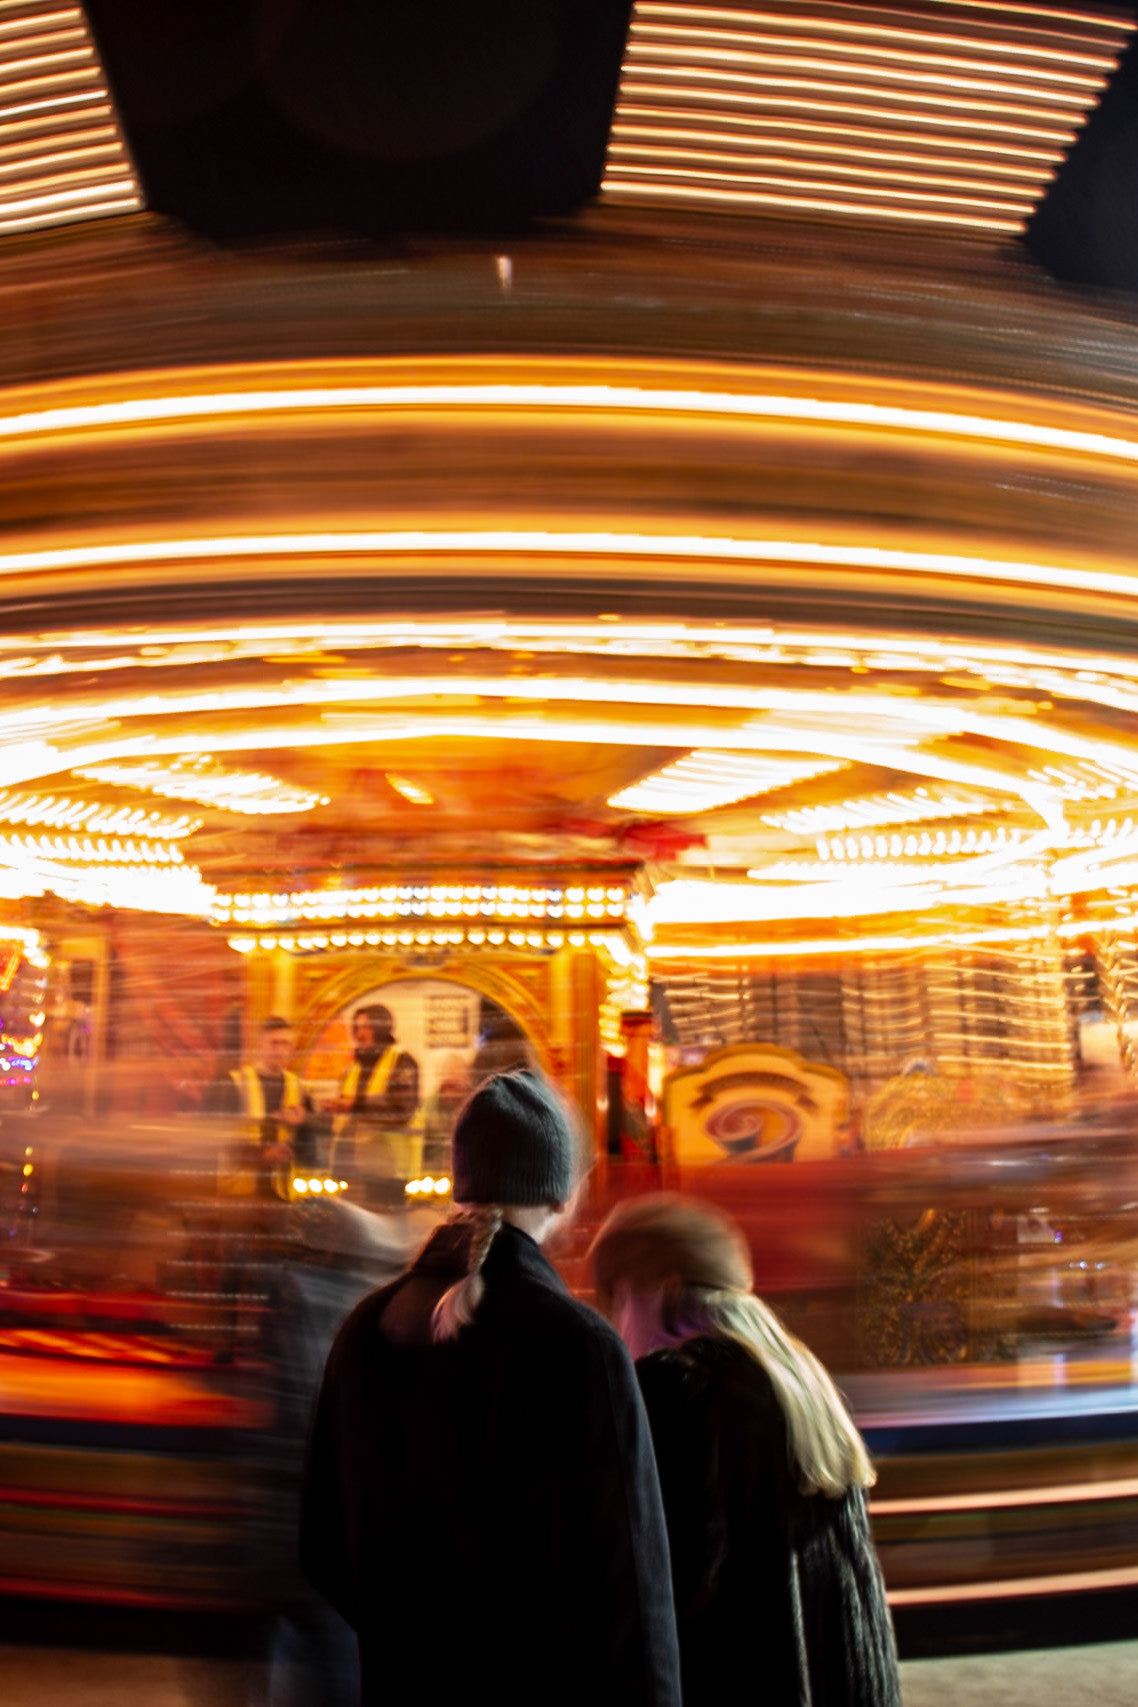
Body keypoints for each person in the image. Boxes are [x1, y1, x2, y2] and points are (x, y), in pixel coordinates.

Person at [300, 1070, 681, 1707]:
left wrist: (412, 1638)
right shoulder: (579, 1344)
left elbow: (321, 1546)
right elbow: (631, 1584)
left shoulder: (365, 1327)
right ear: (560, 1194)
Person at [589, 1194, 901, 1707]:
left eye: (617, 1298)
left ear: (658, 1289)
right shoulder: (802, 1380)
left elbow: (670, 1586)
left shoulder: (678, 1387)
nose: (615, 1322)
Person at [204, 1015, 314, 1196]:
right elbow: (217, 1136)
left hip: (282, 1192)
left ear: (293, 1048)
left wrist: (304, 1124)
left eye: (285, 1044)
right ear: (260, 1045)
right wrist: (261, 1155)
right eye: (273, 1043)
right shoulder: (234, 1083)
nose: (279, 1050)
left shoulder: (300, 1088)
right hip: (240, 1192)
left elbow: (312, 1149)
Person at [326, 1004, 420, 1199]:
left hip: (387, 1169)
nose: (361, 1034)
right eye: (357, 1028)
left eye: (367, 1027)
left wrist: (355, 1104)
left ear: (382, 1028)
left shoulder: (401, 1061)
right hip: (352, 1169)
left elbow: (401, 1109)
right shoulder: (353, 1069)